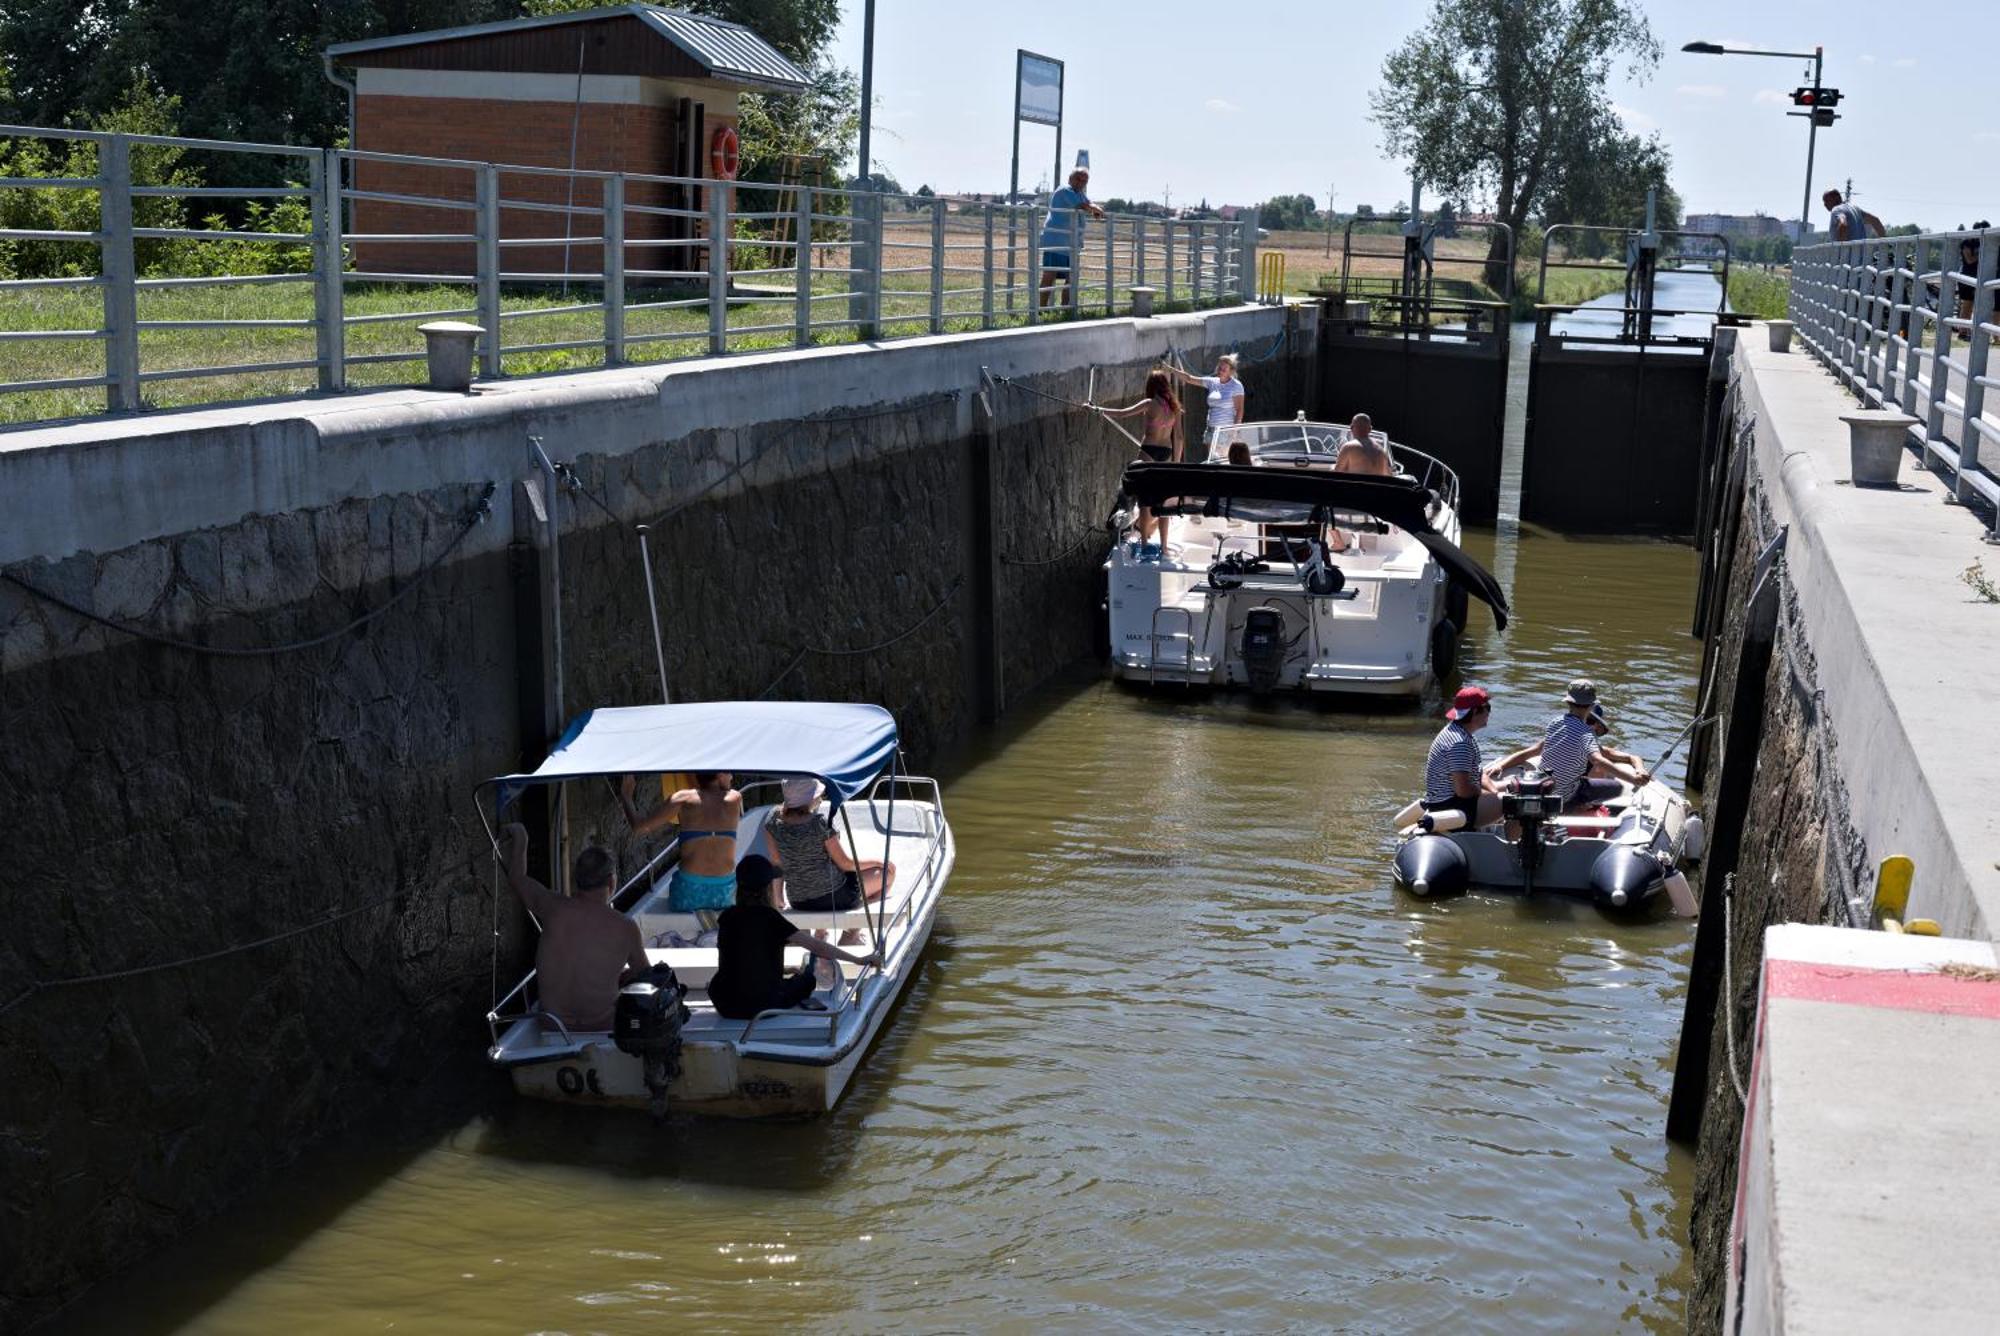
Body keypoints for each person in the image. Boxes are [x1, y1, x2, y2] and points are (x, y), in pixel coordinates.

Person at [500, 822, 650, 1032]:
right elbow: (645, 976)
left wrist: (521, 837)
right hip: (601, 1024)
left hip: (553, 1025)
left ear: (576, 879)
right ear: (611, 882)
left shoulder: (551, 907)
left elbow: (517, 878)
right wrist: (622, 975)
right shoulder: (626, 927)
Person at [706, 855, 882, 1020]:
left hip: (727, 1006)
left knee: (720, 980)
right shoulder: (771, 918)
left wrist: (780, 970)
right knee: (806, 980)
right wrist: (858, 960)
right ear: (768, 887)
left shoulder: (727, 917)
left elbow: (741, 956)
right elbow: (817, 947)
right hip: (765, 1006)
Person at [763, 777, 894, 944]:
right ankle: (851, 934)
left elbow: (776, 862)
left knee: (835, 877)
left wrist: (779, 897)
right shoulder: (819, 824)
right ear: (809, 799)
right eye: (818, 795)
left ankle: (820, 934)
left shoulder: (772, 821)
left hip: (798, 900)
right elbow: (845, 863)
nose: (821, 797)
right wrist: (878, 861)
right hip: (835, 896)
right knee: (888, 873)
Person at [1488, 680, 1650, 811]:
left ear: (1568, 702)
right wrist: (1633, 779)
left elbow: (1530, 752)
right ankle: (1581, 807)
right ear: (1591, 706)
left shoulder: (1555, 723)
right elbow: (1598, 761)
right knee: (1616, 788)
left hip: (1543, 788)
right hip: (1565, 796)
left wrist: (1501, 764)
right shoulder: (1586, 733)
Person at [620, 770, 742, 912]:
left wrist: (626, 796)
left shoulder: (682, 799)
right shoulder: (735, 798)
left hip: (688, 889)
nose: (732, 777)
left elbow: (639, 827)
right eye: (729, 773)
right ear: (719, 775)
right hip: (724, 890)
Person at [1101, 369, 1185, 560]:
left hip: (1148, 453)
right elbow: (1179, 437)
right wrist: (1176, 464)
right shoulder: (1175, 408)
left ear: (1151, 386)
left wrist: (1098, 409)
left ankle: (1146, 544)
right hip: (1166, 456)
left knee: (1146, 502)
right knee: (1164, 503)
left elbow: (1122, 413)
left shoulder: (1149, 403)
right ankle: (1164, 547)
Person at [1422, 685, 1504, 830]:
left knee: (1507, 789)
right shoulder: (1460, 743)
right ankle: (1513, 848)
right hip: (1451, 807)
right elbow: (1463, 790)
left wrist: (1493, 791)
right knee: (1514, 803)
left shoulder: (1457, 731)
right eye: (1487, 707)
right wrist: (1486, 794)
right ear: (1474, 712)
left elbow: (1478, 772)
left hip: (1446, 800)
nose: (1489, 713)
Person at [1038, 166, 1105, 309]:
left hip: (1071, 243)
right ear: (1070, 179)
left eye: (1084, 180)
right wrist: (1095, 209)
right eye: (1078, 178)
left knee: (1071, 278)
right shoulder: (1065, 190)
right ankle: (1041, 309)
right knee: (1049, 276)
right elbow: (1083, 205)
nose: (1081, 182)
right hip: (1056, 241)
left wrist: (1094, 209)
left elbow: (1087, 204)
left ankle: (1065, 309)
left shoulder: (1079, 193)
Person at [1168, 354, 1246, 449]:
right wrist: (1170, 369)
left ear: (1231, 371)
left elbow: (1239, 410)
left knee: (1223, 460)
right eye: (1219, 368)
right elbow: (1189, 379)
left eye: (1224, 369)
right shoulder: (1212, 382)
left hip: (1226, 430)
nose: (1220, 371)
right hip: (1211, 429)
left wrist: (1234, 431)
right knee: (1212, 461)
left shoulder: (1236, 386)